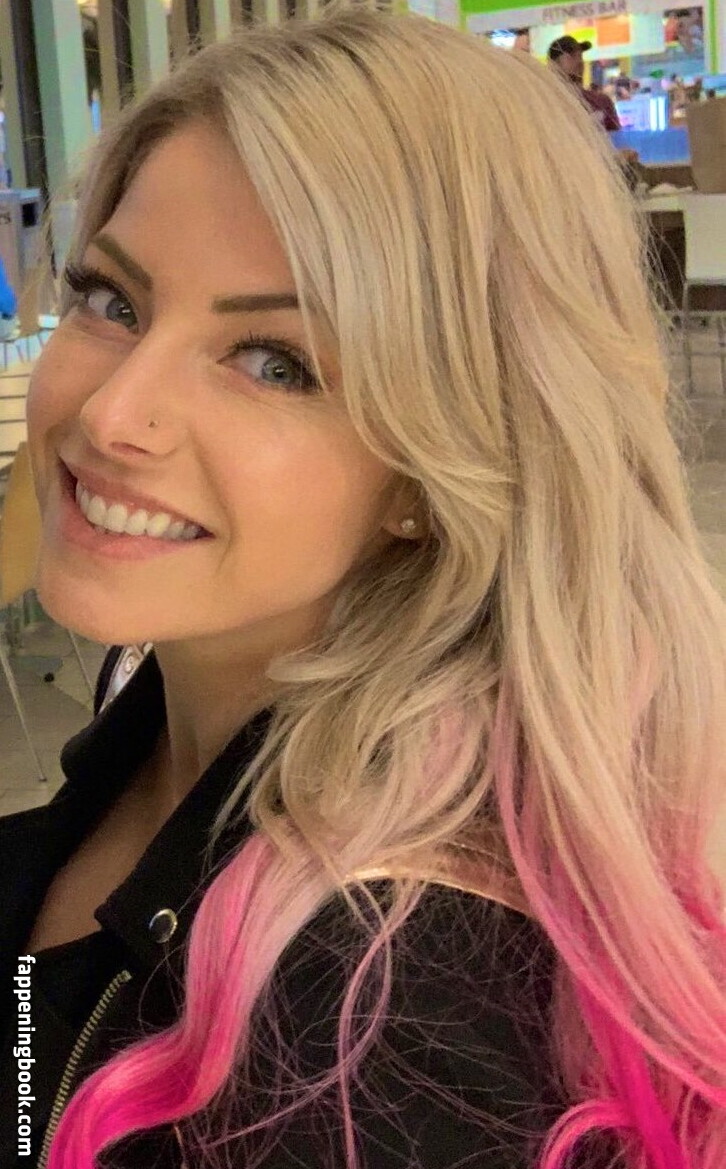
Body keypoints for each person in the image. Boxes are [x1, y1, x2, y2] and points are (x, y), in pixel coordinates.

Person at [1, 8, 725, 1169]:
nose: (112, 412)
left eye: (274, 362)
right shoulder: (167, 710)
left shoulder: (373, 1036)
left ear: (433, 465)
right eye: (113, 300)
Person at [548, 35, 622, 130]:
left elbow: (616, 135)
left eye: (580, 56)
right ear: (554, 65)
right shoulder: (547, 104)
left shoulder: (601, 102)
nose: (579, 61)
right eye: (571, 56)